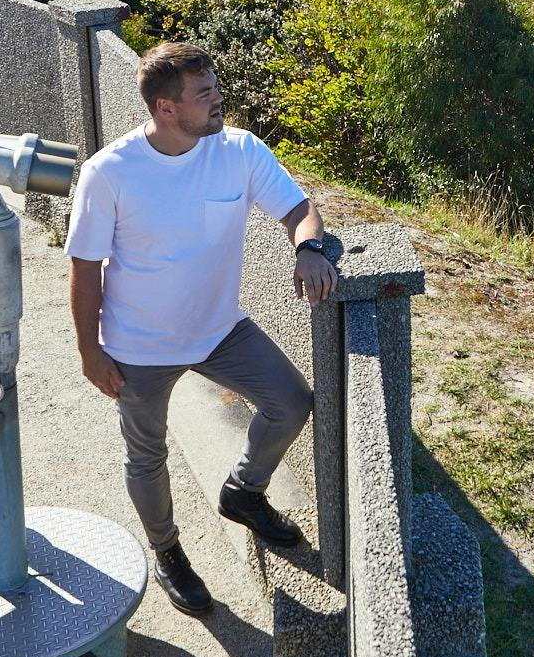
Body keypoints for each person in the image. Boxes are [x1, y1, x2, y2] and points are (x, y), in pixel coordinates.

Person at [66, 42, 339, 616]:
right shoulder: (109, 173)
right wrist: (90, 353)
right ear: (166, 108)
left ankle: (243, 492)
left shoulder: (237, 149)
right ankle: (169, 553)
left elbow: (298, 208)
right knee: (146, 456)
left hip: (220, 329)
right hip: (138, 346)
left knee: (291, 401)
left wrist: (310, 248)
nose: (219, 100)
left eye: (215, 88)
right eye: (204, 94)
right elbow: (85, 268)